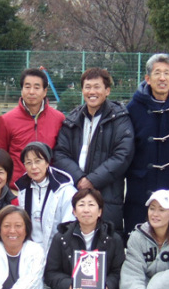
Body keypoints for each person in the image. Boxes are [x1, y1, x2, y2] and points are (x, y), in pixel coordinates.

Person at [53, 67, 134, 234]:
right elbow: (60, 153)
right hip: (75, 191)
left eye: (97, 87)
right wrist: (79, 179)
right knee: (74, 240)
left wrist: (92, 181)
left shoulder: (120, 118)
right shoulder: (72, 119)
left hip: (108, 195)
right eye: (87, 87)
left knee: (106, 241)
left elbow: (122, 155)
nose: (92, 92)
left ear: (107, 90)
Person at [44, 188, 125, 289]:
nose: (86, 209)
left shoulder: (113, 238)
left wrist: (108, 286)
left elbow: (118, 272)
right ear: (74, 211)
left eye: (91, 205)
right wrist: (69, 285)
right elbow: (51, 273)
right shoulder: (61, 238)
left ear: (100, 211)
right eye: (81, 205)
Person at [124, 54, 169, 237]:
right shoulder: (133, 108)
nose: (162, 78)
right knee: (138, 243)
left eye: (167, 73)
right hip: (141, 188)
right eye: (157, 73)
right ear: (147, 78)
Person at [0, 68, 65, 186]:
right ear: (21, 90)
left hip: (50, 188)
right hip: (16, 189)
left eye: (37, 87)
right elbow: (0, 159)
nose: (31, 92)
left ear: (45, 91)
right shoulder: (5, 121)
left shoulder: (59, 119)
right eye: (27, 87)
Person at [15, 142, 76, 253]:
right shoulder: (23, 189)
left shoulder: (65, 190)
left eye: (38, 161)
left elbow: (69, 227)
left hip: (57, 250)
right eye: (28, 163)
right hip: (30, 251)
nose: (34, 167)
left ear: (47, 162)